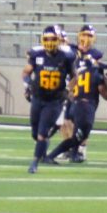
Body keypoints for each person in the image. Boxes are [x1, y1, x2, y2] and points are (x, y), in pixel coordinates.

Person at [21, 25, 76, 173]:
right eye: (47, 39)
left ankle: (34, 163)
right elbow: (26, 73)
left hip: (54, 101)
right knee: (35, 132)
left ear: (58, 40)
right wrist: (27, 86)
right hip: (38, 98)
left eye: (53, 39)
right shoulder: (36, 54)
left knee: (42, 133)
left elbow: (75, 77)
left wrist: (67, 89)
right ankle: (42, 146)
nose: (50, 42)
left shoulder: (66, 56)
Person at [46, 48, 107, 164]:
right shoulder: (95, 71)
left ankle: (73, 154)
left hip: (76, 104)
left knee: (77, 135)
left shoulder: (79, 71)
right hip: (86, 106)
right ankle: (51, 156)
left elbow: (70, 87)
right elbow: (104, 91)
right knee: (79, 137)